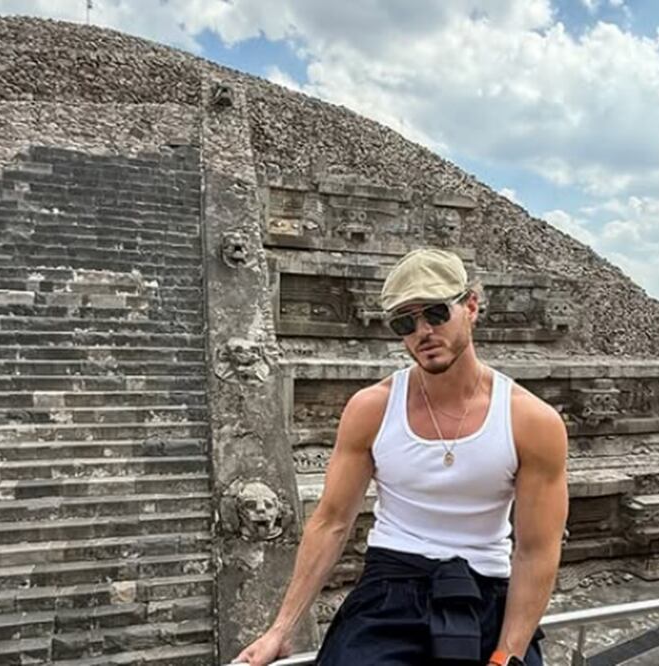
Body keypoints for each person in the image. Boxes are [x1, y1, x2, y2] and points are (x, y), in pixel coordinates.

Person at [235, 248, 569, 665]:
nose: (423, 331)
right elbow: (332, 521)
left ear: (471, 306)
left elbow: (537, 550)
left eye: (435, 313)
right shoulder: (371, 408)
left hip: (487, 589)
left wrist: (509, 654)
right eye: (404, 322)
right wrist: (280, 630)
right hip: (391, 586)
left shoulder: (531, 420)